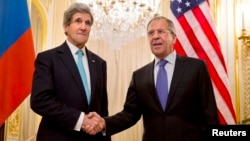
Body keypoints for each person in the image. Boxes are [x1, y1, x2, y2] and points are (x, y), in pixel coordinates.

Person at [84, 16, 219, 141]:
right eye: (151, 33)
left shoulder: (196, 68)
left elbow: (210, 115)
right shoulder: (139, 76)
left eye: (161, 31)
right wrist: (104, 123)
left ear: (174, 38)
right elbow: (129, 114)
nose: (155, 36)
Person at [30, 2, 110, 141]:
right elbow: (40, 101)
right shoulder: (48, 58)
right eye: (78, 21)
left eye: (88, 23)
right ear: (66, 26)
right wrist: (81, 119)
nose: (83, 27)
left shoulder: (99, 63)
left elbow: (103, 110)